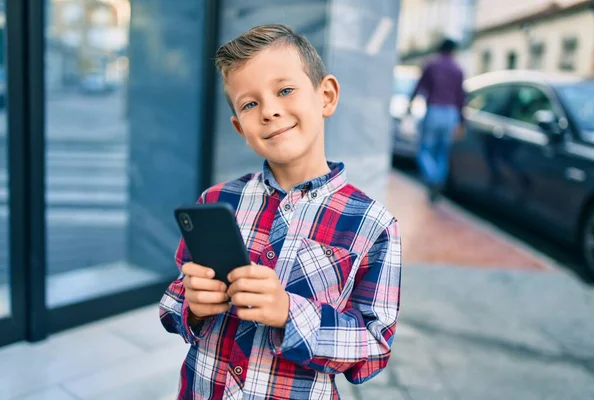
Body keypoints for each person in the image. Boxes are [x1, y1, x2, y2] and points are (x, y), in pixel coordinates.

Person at [159, 24, 402, 399]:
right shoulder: (216, 201)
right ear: (240, 128)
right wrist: (192, 305)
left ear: (326, 96)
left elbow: (374, 348)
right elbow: (175, 301)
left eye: (285, 90)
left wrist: (290, 312)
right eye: (250, 103)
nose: (270, 111)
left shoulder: (374, 224)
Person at [407, 38, 466, 202]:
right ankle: (439, 181)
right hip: (451, 114)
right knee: (443, 152)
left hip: (434, 110)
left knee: (424, 150)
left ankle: (432, 178)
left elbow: (420, 86)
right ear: (453, 51)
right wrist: (462, 120)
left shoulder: (431, 64)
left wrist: (410, 104)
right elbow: (462, 97)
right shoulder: (458, 69)